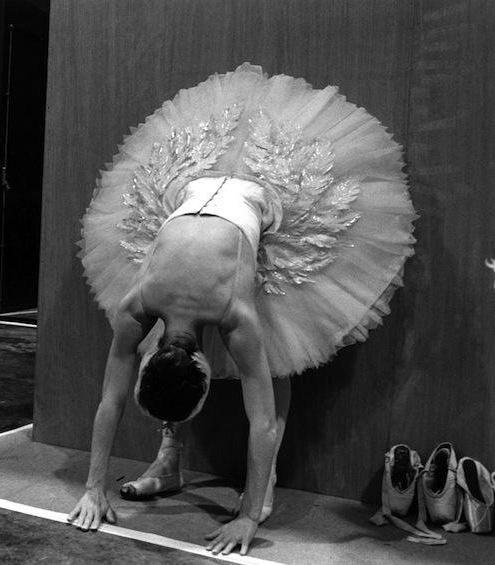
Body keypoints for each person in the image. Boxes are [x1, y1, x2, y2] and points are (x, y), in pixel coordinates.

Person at [70, 64, 417, 556]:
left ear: (207, 370)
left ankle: (264, 481)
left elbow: (260, 420)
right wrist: (92, 486)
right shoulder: (144, 299)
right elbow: (115, 401)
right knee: (252, 381)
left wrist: (249, 516)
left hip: (263, 200)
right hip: (194, 193)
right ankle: (169, 460)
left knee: (277, 357)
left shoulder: (224, 313)